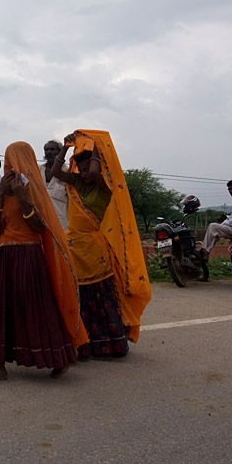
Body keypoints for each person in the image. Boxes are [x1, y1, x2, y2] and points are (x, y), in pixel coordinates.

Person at [0, 141, 87, 381]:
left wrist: (22, 198)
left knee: (36, 310)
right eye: (8, 160)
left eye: (13, 160)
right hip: (3, 256)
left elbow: (39, 227)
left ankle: (58, 359)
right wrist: (1, 195)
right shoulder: (4, 187)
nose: (10, 165)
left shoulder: (34, 188)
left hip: (28, 257)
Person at [51, 130, 150, 359]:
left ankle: (112, 344)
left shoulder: (104, 186)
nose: (86, 173)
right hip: (75, 246)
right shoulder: (76, 182)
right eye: (81, 169)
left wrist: (95, 145)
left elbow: (96, 172)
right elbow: (56, 172)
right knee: (80, 296)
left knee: (100, 295)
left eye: (88, 168)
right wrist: (65, 148)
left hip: (95, 249)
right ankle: (84, 344)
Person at [42, 139, 70, 231]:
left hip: (62, 225)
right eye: (46, 150)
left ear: (60, 152)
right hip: (41, 224)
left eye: (52, 149)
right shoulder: (37, 171)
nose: (49, 152)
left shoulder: (67, 173)